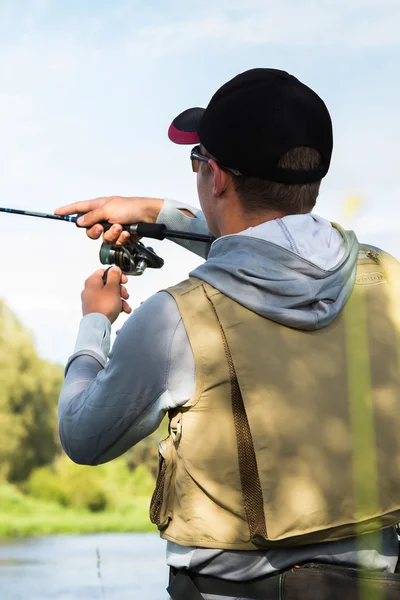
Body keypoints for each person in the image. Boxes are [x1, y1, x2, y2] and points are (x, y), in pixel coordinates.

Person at [55, 68, 400, 599]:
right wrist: (153, 212)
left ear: (215, 177)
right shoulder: (389, 280)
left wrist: (94, 322)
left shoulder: (176, 319)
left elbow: (83, 437)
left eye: (198, 162)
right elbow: (278, 250)